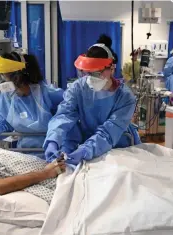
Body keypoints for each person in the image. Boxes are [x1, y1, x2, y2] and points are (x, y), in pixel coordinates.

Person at [44, 34, 141, 165]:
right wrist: (53, 140)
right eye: (88, 73)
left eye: (97, 73)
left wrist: (85, 151)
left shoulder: (125, 97)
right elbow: (64, 115)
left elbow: (108, 132)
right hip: (89, 146)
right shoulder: (78, 88)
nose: (90, 78)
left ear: (112, 69)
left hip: (119, 145)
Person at [0, 52, 64, 156]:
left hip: (55, 151)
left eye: (5, 76)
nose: (3, 83)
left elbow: (67, 121)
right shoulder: (6, 99)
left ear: (19, 77)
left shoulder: (50, 95)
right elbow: (2, 130)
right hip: (26, 154)